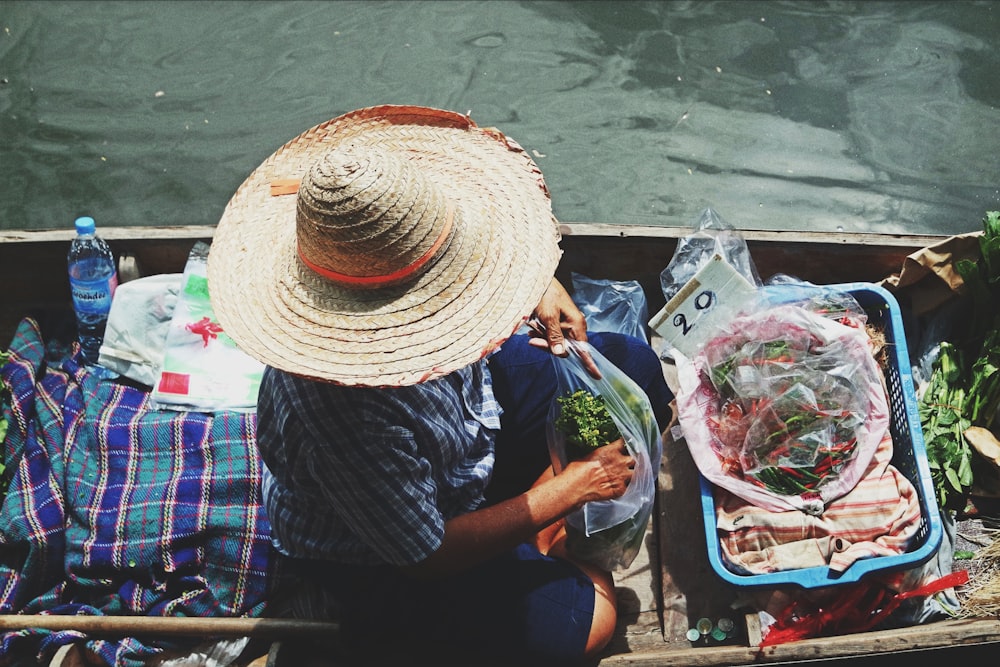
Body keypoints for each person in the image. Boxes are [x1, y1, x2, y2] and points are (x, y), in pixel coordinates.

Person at [206, 105, 673, 665]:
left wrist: (537, 288)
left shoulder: (397, 220)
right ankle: (528, 537)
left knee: (626, 368)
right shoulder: (346, 409)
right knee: (593, 618)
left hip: (466, 420)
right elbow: (423, 553)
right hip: (388, 557)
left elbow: (486, 237)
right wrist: (573, 487)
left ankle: (528, 531)